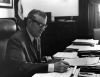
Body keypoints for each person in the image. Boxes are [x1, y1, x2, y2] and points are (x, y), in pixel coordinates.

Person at [5, 9, 69, 77]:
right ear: (29, 22)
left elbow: (33, 61)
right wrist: (52, 67)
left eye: (44, 25)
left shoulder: (36, 36)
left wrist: (44, 60)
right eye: (40, 25)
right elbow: (21, 67)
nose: (43, 29)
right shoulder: (16, 40)